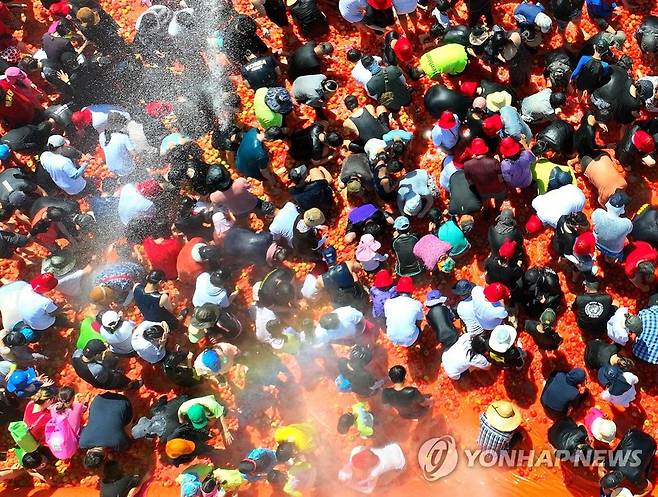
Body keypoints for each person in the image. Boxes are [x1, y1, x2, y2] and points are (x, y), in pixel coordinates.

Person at [79, 392, 133, 468]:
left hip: (123, 401)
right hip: (99, 399)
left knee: (127, 432)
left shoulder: (117, 442)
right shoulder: (82, 442)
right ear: (88, 452)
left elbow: (128, 445)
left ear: (105, 456)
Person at [383, 277, 423, 347]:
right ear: (411, 291)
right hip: (410, 340)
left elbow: (387, 318)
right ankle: (414, 340)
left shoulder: (388, 302)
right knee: (417, 327)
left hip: (391, 337)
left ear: (398, 290)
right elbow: (419, 322)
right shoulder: (417, 304)